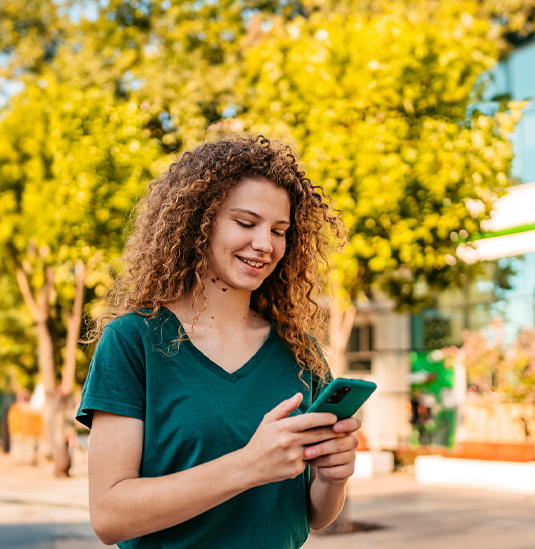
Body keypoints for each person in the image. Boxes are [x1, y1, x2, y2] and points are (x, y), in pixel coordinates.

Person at [79, 135, 359, 548]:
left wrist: (333, 478)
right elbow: (109, 516)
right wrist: (249, 465)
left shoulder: (302, 353)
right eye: (246, 223)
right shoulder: (133, 342)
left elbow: (314, 515)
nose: (264, 244)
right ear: (199, 221)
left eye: (279, 230)